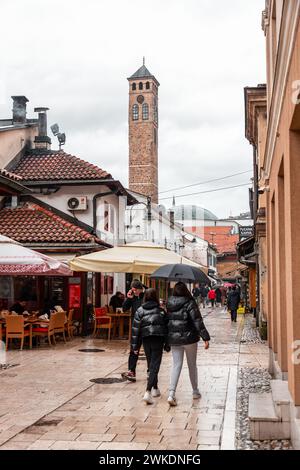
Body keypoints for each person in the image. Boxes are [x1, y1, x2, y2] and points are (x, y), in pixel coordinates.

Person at [166, 282, 210, 406]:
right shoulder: (190, 302)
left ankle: (171, 393)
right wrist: (205, 337)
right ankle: (195, 391)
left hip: (174, 339)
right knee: (192, 365)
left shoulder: (169, 303)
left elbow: (167, 322)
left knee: (176, 365)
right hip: (189, 338)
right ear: (186, 290)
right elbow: (197, 321)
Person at [131, 288, 169, 405]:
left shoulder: (140, 311)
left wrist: (135, 347)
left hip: (146, 339)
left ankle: (155, 388)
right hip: (158, 339)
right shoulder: (161, 311)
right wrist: (167, 344)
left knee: (151, 364)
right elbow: (167, 329)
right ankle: (148, 391)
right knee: (154, 366)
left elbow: (135, 330)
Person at [121, 280, 145, 382]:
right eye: (133, 290)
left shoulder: (146, 295)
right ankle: (131, 371)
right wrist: (128, 299)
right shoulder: (133, 298)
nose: (134, 292)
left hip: (146, 327)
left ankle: (150, 371)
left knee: (149, 351)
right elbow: (124, 309)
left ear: (139, 289)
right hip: (136, 329)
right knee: (133, 350)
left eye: (135, 290)